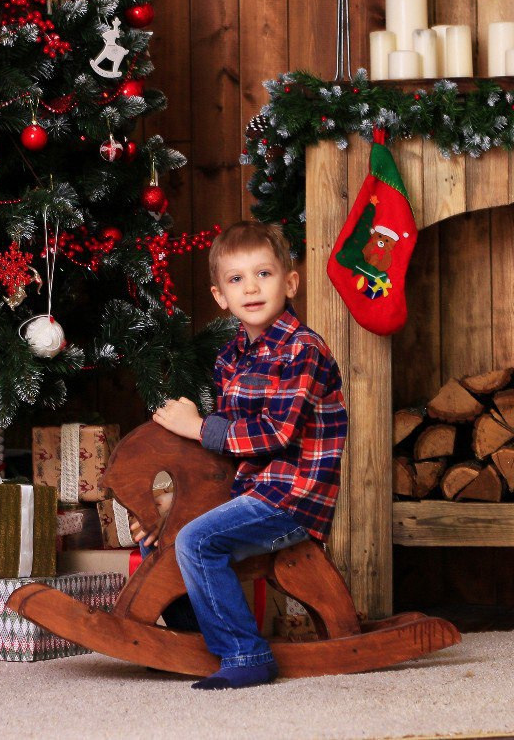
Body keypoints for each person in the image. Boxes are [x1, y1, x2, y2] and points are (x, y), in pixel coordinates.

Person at [136, 219, 348, 690]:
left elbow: (275, 433)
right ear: (220, 296)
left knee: (195, 542)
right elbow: (227, 455)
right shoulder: (231, 357)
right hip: (250, 493)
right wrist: (174, 506)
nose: (251, 288)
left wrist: (197, 426)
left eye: (264, 274)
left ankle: (245, 654)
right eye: (236, 279)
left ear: (290, 282)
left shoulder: (302, 349)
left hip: (290, 497)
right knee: (163, 538)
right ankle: (196, 643)